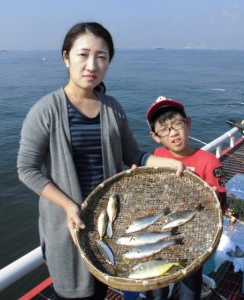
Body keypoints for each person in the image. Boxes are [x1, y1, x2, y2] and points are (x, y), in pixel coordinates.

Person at [17, 22, 184, 299]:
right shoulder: (45, 110)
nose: (92, 65)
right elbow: (26, 169)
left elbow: (134, 155)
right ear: (65, 57)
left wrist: (165, 162)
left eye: (102, 57)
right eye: (83, 55)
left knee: (100, 289)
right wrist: (69, 206)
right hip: (67, 226)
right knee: (73, 293)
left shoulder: (113, 108)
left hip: (106, 222)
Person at [144, 96, 227, 300]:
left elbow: (222, 207)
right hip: (162, 232)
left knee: (190, 288)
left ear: (188, 123)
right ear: (155, 136)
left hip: (194, 237)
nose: (173, 133)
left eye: (177, 124)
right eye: (164, 129)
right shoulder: (157, 155)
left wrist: (214, 200)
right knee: (157, 286)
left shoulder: (209, 161)